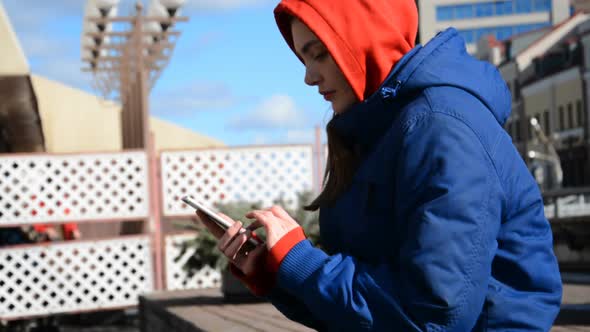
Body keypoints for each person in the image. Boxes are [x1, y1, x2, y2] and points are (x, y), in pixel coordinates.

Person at [197, 0, 563, 330]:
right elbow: (370, 315)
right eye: (304, 58)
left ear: (364, 39)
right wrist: (276, 271)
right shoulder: (374, 130)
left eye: (319, 54)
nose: (308, 76)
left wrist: (300, 261)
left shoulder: (440, 127)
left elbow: (435, 315)